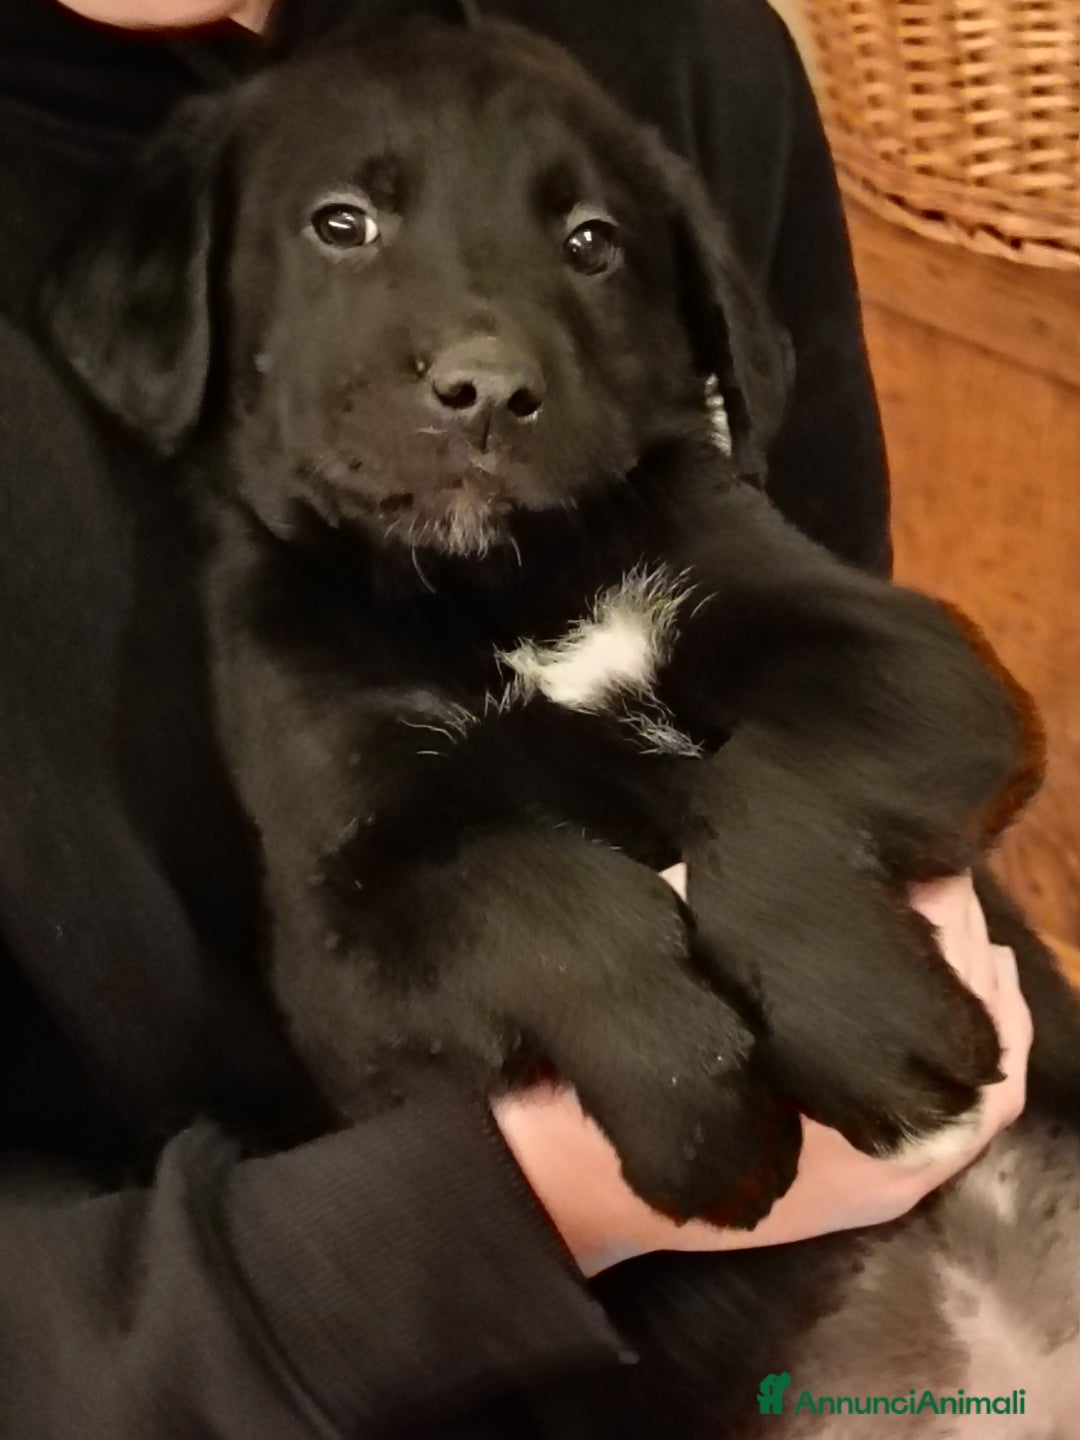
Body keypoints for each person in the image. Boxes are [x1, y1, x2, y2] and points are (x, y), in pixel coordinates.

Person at [0, 0, 1032, 1435]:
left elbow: (883, 679)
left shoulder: (670, 53)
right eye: (344, 227)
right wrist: (527, 1200)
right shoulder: (295, 609)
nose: (481, 363)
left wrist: (810, 856)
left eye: (590, 249)